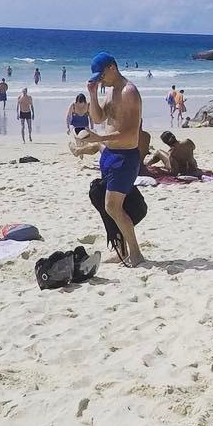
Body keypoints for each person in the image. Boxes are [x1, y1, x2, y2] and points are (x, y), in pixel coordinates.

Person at [84, 53, 144, 267]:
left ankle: (136, 253)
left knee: (112, 206)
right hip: (109, 154)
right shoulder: (110, 90)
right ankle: (121, 250)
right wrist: (92, 95)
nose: (100, 81)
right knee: (106, 202)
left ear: (112, 68)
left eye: (101, 76)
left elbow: (131, 132)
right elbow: (99, 118)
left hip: (125, 157)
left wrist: (100, 138)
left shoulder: (129, 92)